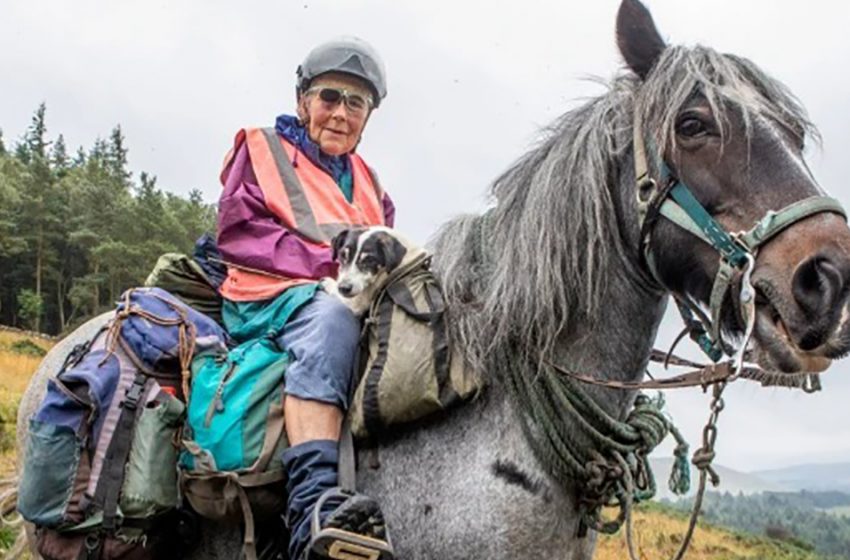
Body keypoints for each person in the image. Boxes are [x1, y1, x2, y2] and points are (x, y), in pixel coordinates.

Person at [216, 37, 394, 559]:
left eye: (355, 103)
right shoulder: (262, 148)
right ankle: (312, 509)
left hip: (340, 293)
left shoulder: (370, 182)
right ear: (303, 101)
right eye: (329, 97)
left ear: (368, 115)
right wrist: (329, 271)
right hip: (266, 293)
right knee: (336, 321)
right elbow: (241, 231)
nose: (340, 113)